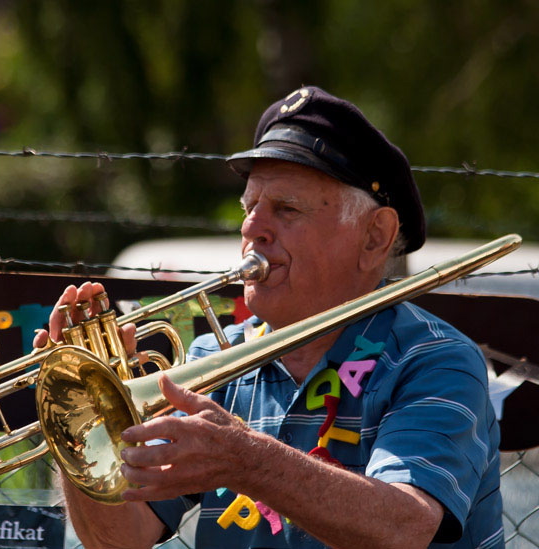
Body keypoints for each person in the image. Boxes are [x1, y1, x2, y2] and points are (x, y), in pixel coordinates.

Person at [33, 86, 503, 548]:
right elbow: (119, 539)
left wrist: (245, 459)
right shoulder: (216, 357)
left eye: (286, 209)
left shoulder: (437, 361)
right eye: (250, 208)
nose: (252, 229)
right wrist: (83, 423)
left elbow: (404, 528)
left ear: (374, 237)